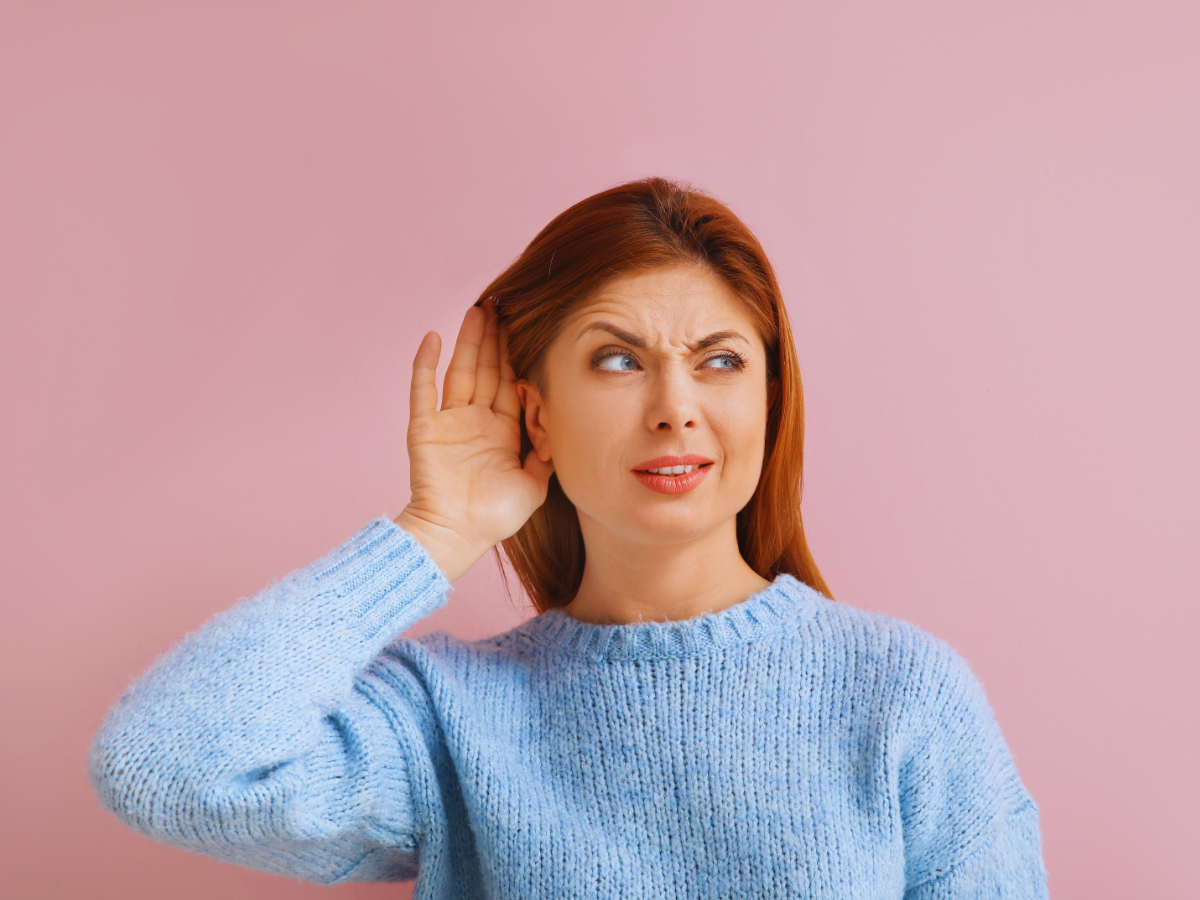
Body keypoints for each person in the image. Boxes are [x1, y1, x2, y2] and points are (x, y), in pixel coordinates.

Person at [89, 177, 1049, 898]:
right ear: (536, 415)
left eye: (719, 361)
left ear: (767, 398)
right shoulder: (447, 716)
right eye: (618, 359)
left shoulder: (903, 696)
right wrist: (433, 533)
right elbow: (166, 765)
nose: (677, 409)